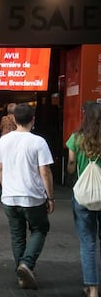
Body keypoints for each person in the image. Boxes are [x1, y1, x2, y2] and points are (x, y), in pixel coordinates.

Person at [0, 103, 54, 290]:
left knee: (17, 234)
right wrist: (50, 197)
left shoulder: (3, 141)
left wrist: (7, 188)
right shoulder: (38, 142)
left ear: (14, 119)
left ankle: (22, 274)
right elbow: (44, 171)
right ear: (33, 119)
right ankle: (26, 264)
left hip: (9, 197)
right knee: (40, 228)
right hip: (32, 197)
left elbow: (0, 168)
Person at [66, 101, 101, 297]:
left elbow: (71, 164)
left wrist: (73, 169)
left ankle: (92, 287)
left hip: (83, 195)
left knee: (88, 242)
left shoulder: (76, 138)